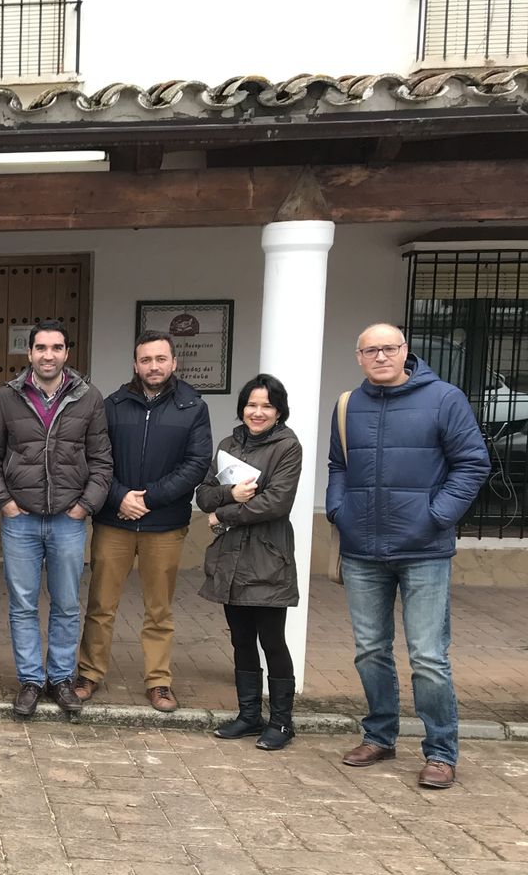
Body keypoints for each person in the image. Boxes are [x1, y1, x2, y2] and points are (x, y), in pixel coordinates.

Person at [328, 323, 490, 789]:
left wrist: (437, 515)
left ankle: (440, 752)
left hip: (424, 550)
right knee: (370, 651)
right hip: (362, 550)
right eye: (370, 350)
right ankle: (379, 736)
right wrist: (339, 510)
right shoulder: (348, 405)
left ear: (405, 351)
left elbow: (473, 463)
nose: (380, 357)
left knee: (428, 657)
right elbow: (339, 466)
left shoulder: (444, 399)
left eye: (389, 348)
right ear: (359, 356)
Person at [0, 319, 111, 719]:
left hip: (68, 519)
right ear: (30, 352)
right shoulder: (6, 397)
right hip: (20, 519)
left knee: (67, 603)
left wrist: (84, 506)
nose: (48, 355)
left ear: (67, 352)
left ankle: (62, 679)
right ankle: (31, 680)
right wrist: (4, 502)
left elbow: (101, 461)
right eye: (40, 348)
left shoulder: (89, 397)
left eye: (56, 348)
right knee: (22, 604)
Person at [76, 331, 213, 711]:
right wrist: (120, 496)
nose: (154, 366)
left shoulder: (193, 407)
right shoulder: (113, 405)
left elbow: (196, 464)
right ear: (135, 364)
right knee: (100, 605)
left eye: (160, 359)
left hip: (164, 524)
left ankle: (158, 681)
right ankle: (88, 673)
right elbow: (95, 458)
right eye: (146, 360)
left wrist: (147, 499)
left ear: (174, 362)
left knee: (159, 610)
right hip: (114, 521)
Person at [196, 374, 304, 751]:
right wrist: (231, 494)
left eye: (267, 406)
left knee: (272, 641)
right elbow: (204, 495)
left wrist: (223, 515)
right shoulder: (228, 445)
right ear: (242, 408)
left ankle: (282, 722)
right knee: (241, 639)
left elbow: (276, 503)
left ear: (279, 411)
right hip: (231, 558)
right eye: (251, 405)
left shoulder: (288, 447)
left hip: (267, 557)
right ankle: (248, 715)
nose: (258, 412)